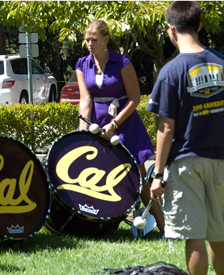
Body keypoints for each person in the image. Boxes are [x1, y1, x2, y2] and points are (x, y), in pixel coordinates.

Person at [147, 2, 224, 274]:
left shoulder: (171, 71)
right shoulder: (222, 63)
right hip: (221, 161)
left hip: (186, 163)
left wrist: (157, 174)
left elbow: (166, 128)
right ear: (200, 25)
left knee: (195, 236)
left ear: (171, 30)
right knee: (220, 234)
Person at [76, 19, 165, 236]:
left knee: (139, 176)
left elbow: (135, 98)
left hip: (125, 123)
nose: (89, 44)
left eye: (94, 40)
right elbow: (85, 99)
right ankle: (99, 226)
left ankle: (165, 229)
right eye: (87, 40)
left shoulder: (122, 62)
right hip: (96, 123)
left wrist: (114, 124)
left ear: (106, 39)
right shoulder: (82, 64)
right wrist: (81, 131)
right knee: (97, 174)